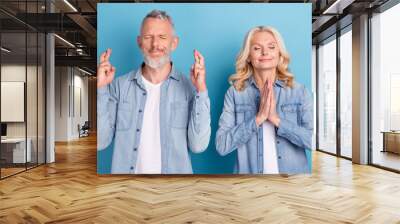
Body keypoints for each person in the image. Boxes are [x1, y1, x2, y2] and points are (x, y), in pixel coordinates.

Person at [97, 10, 211, 174]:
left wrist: (201, 89)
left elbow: (198, 145)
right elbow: (101, 142)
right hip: (127, 191)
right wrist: (101, 88)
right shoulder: (119, 86)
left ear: (174, 43)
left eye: (162, 37)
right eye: (148, 37)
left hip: (175, 191)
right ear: (139, 42)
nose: (155, 44)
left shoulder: (190, 89)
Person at [215, 26, 313, 174]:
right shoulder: (235, 94)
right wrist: (258, 118)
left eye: (271, 47)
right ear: (248, 56)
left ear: (279, 53)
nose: (265, 52)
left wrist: (276, 120)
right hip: (250, 187)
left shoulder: (299, 92)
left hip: (293, 186)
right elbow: (222, 145)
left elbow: (313, 141)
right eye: (256, 48)